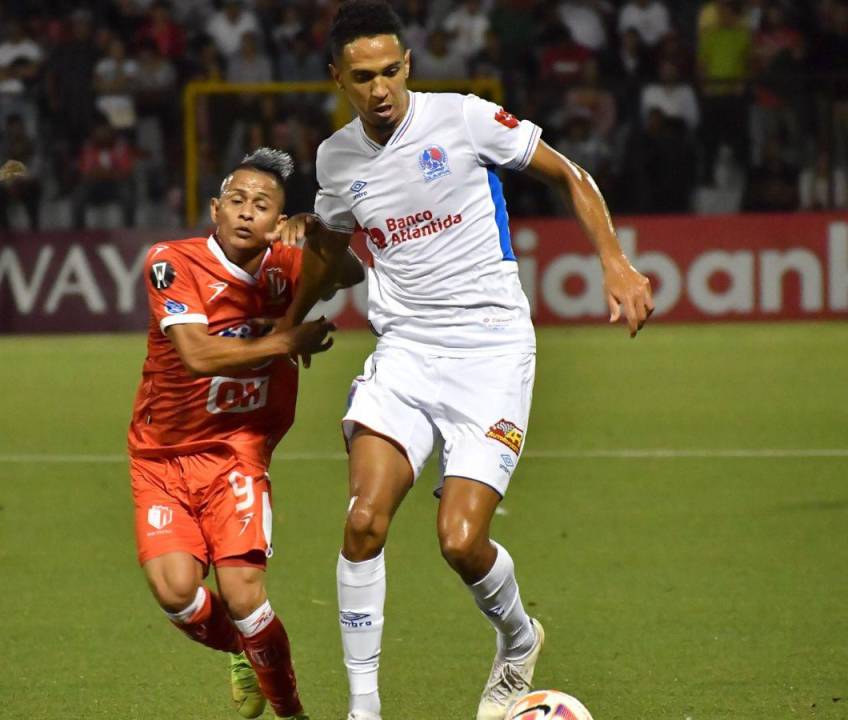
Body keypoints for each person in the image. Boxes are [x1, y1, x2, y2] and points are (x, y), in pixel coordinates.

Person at [267, 2, 654, 719]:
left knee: (460, 540)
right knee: (363, 521)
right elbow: (328, 247)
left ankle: (517, 638)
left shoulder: (464, 119)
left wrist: (616, 262)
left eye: (390, 71)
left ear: (407, 65)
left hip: (491, 351)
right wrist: (288, 328)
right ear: (337, 79)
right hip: (407, 351)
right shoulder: (336, 158)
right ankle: (363, 711)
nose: (379, 89)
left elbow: (568, 173)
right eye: (362, 77)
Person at [127, 148, 364, 720]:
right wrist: (287, 342)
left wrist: (318, 235)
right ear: (215, 208)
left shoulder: (286, 265)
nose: (245, 213)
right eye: (236, 201)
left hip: (238, 452)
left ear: (276, 221)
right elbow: (196, 353)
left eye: (262, 206)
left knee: (244, 597)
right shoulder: (171, 261)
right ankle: (248, 655)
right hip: (159, 458)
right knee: (177, 594)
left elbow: (350, 271)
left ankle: (291, 713)